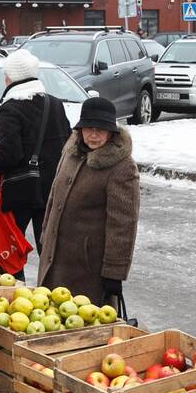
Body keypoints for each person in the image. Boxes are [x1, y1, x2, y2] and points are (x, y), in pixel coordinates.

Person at [37, 97, 139, 308]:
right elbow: (53, 197)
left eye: (101, 129)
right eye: (89, 128)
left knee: (82, 327)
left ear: (112, 132)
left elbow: (122, 225)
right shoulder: (71, 152)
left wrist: (114, 272)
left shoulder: (122, 167)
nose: (94, 135)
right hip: (54, 258)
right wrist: (45, 234)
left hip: (86, 268)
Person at [0, 49, 71, 278]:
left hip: (20, 190)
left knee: (11, 247)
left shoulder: (9, 109)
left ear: (12, 77)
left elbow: (11, 154)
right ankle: (51, 293)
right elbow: (66, 142)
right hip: (50, 188)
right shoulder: (54, 104)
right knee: (47, 247)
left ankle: (13, 293)